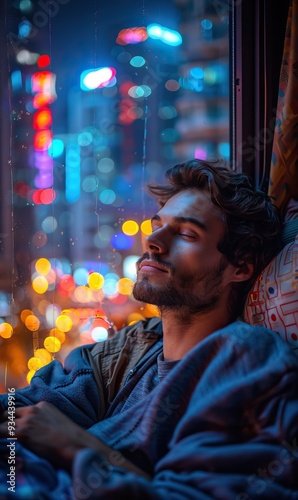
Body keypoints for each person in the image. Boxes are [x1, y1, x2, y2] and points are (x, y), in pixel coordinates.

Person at [1, 158, 298, 499]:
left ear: (240, 269)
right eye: (157, 225)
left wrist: (74, 446)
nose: (153, 241)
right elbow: (22, 407)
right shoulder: (133, 348)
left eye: (187, 233)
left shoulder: (247, 358)